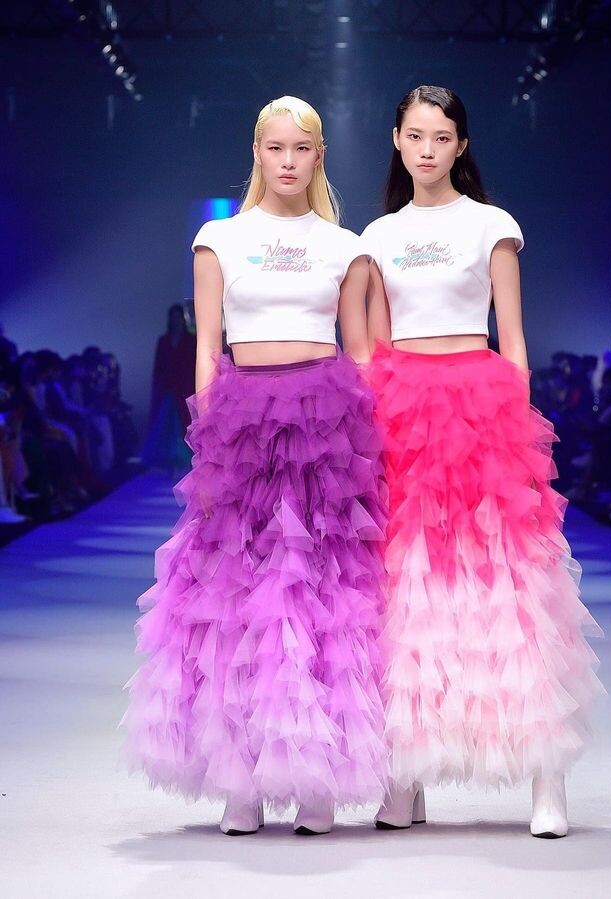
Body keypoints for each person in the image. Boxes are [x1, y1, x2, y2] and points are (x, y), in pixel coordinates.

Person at [122, 96, 388, 836]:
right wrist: (206, 439)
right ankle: (240, 779)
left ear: (319, 155)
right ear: (257, 152)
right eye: (276, 147)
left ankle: (315, 780)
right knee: (236, 588)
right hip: (242, 423)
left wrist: (372, 440)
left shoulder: (345, 246)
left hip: (326, 423)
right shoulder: (219, 238)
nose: (288, 161)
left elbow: (360, 351)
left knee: (320, 591)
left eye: (301, 148)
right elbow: (207, 346)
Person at [363, 85, 605, 838]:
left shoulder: (492, 224)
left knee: (508, 584)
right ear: (397, 141)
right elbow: (377, 345)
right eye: (415, 135)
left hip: (480, 403)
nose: (428, 149)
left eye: (442, 137)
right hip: (404, 410)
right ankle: (405, 777)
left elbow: (515, 338)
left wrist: (519, 433)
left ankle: (546, 778)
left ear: (461, 145)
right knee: (408, 590)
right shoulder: (377, 235)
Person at [142, 304, 196, 473]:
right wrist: (158, 386)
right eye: (173, 317)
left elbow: (193, 365)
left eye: (178, 317)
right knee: (167, 425)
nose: (176, 320)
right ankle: (170, 462)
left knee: (184, 423)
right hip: (168, 389)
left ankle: (185, 460)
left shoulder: (191, 340)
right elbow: (158, 366)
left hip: (185, 387)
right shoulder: (164, 341)